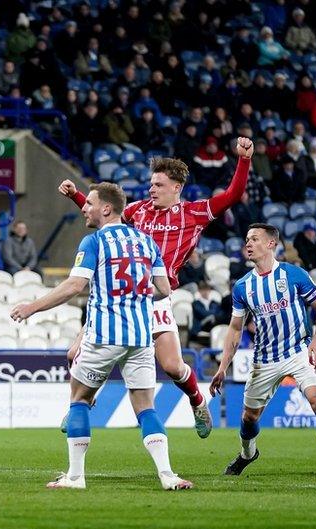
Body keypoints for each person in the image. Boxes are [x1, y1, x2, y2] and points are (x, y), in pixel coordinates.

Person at [59, 139, 256, 438]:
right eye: (151, 183)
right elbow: (105, 216)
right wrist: (78, 197)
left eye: (159, 185)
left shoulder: (194, 214)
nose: (152, 189)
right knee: (76, 352)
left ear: (176, 187)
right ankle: (81, 404)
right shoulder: (137, 211)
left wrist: (243, 160)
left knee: (174, 367)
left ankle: (197, 400)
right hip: (122, 298)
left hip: (156, 299)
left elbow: (233, 194)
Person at [11, 182, 191, 491]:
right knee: (146, 407)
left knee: (79, 399)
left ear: (105, 209)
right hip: (140, 336)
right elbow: (164, 289)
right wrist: (136, 295)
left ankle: (76, 477)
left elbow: (74, 286)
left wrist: (32, 307)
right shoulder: (147, 242)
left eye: (89, 203)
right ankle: (167, 475)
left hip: (104, 334)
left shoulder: (93, 241)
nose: (84, 207)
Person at [211, 223, 316, 480]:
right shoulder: (243, 286)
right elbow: (235, 328)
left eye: (254, 239)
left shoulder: (293, 274)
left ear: (271, 244)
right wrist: (222, 367)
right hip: (264, 359)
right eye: (246, 239)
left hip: (298, 350)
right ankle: (248, 454)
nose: (248, 243)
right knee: (249, 418)